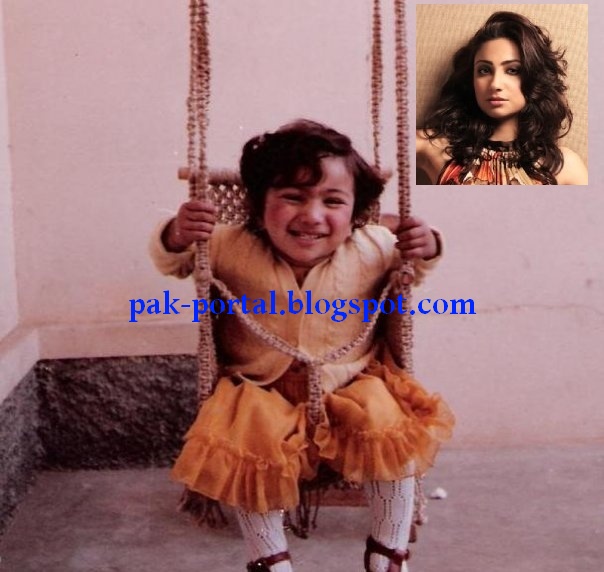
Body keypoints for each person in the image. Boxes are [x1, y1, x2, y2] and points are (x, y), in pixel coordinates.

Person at [150, 119, 454, 571]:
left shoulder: (371, 247)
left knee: (392, 431)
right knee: (249, 443)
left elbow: (415, 262)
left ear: (355, 214)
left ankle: (388, 551)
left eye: (332, 201)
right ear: (258, 207)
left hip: (351, 383)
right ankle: (270, 559)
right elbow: (175, 259)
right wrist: (176, 233)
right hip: (260, 387)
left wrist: (428, 245)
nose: (312, 216)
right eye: (293, 197)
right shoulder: (229, 246)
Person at [416, 11, 588, 185]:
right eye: (484, 70)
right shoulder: (437, 148)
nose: (495, 84)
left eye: (512, 70)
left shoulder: (564, 167)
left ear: (534, 78)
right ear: (471, 80)